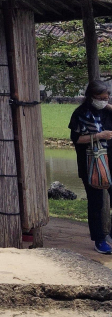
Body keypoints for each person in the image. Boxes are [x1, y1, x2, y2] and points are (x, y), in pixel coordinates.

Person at [69, 79, 112, 254]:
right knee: (96, 203)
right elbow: (77, 139)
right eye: (100, 97)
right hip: (91, 163)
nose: (104, 100)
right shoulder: (81, 113)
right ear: (91, 96)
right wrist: (99, 135)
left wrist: (109, 106)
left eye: (107, 97)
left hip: (111, 161)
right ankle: (99, 240)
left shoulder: (108, 111)